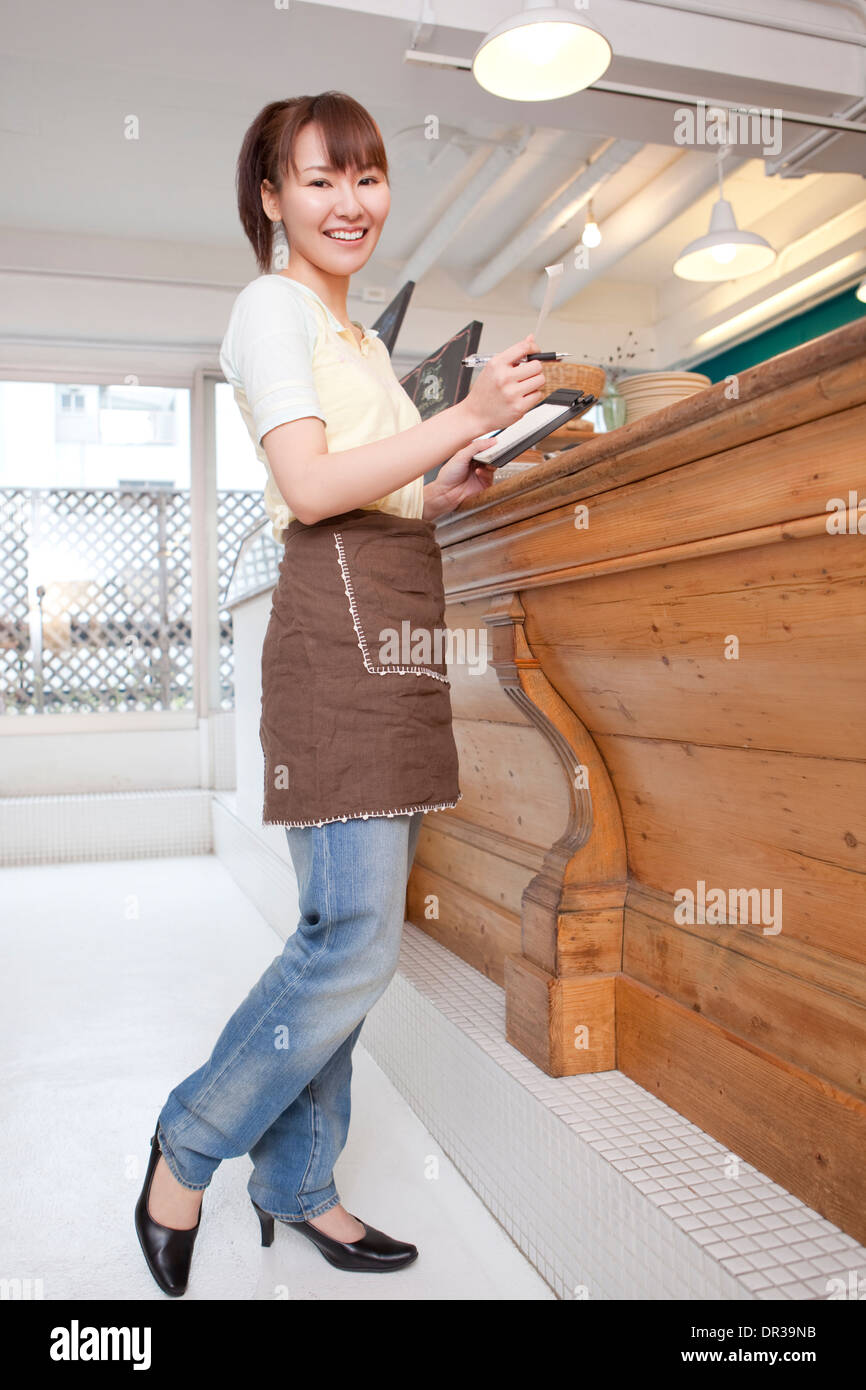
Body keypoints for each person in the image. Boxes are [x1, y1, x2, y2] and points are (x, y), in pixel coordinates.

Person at [135, 90, 545, 1296]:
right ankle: (188, 1142)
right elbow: (311, 487)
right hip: (339, 628)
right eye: (321, 179)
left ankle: (299, 1183)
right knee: (354, 942)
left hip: (397, 617)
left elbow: (380, 487)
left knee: (346, 938)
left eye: (365, 177)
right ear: (272, 199)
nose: (349, 202)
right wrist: (459, 413)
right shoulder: (270, 307)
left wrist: (449, 475)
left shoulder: (355, 340)